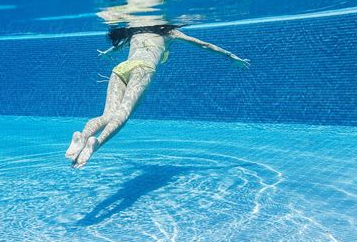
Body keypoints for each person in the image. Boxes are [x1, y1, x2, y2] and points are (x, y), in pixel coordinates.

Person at [65, 25, 250, 168]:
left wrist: (107, 53)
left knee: (106, 115)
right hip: (143, 69)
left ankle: (83, 135)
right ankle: (95, 144)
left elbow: (118, 48)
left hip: (120, 69)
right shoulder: (171, 33)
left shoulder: (135, 33)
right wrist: (230, 55)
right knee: (123, 113)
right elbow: (203, 45)